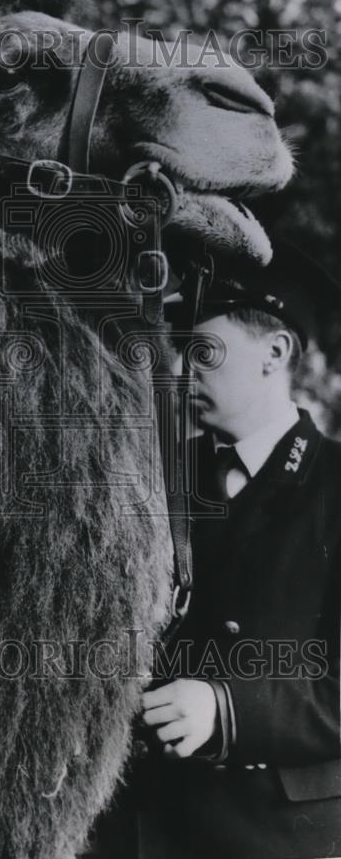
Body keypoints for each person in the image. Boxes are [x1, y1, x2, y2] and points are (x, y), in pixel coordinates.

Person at [97, 241, 341, 859]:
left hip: (270, 834)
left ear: (275, 352)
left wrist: (226, 708)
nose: (180, 372)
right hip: (141, 826)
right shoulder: (156, 475)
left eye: (202, 351)